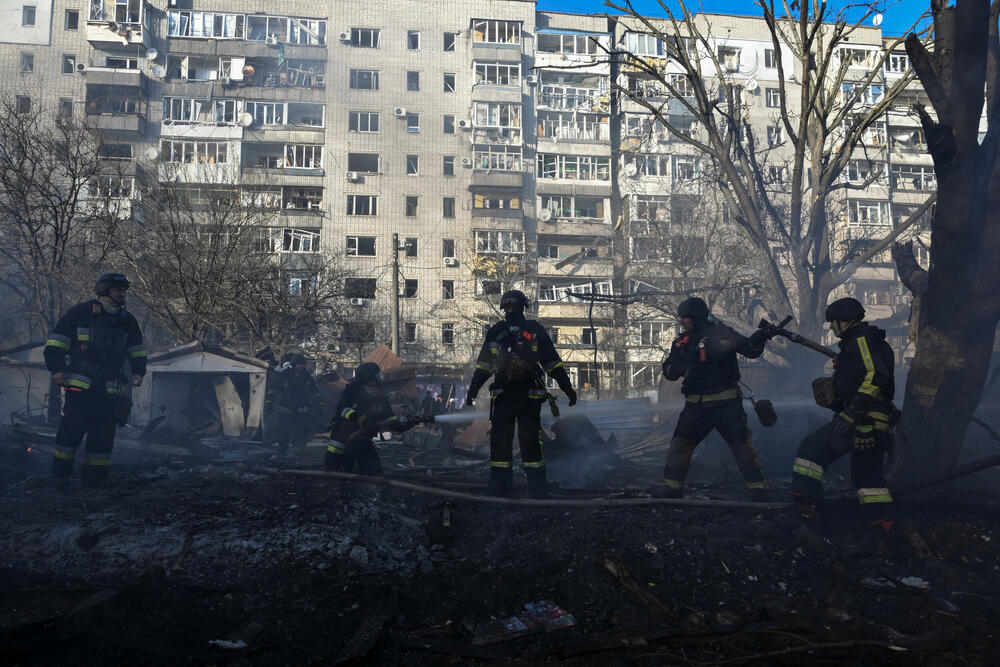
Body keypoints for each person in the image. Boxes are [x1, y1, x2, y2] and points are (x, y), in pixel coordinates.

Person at [791, 297, 898, 529]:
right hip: (873, 421)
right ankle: (882, 523)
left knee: (811, 448)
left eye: (833, 322)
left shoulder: (862, 340)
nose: (831, 326)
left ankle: (805, 506)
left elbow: (877, 375)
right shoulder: (863, 342)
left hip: (862, 419)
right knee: (867, 475)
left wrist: (853, 410)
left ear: (846, 321)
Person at [659, 297, 774, 499]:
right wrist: (679, 368)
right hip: (695, 408)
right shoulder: (680, 344)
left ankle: (758, 490)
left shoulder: (723, 334)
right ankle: (672, 488)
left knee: (741, 448)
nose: (681, 322)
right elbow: (669, 370)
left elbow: (750, 350)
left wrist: (759, 339)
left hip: (727, 406)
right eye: (681, 318)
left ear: (697, 317)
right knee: (679, 446)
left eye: (685, 318)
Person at [465, 289, 576, 498]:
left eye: (513, 306)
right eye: (507, 306)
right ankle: (502, 488)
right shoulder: (504, 332)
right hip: (508, 395)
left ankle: (535, 489)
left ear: (522, 307)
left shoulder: (528, 331)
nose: (510, 310)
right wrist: (473, 389)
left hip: (525, 395)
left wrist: (567, 387)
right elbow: (483, 366)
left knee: (530, 441)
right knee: (501, 442)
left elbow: (552, 362)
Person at [44, 273, 146, 488]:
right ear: (105, 290)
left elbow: (136, 349)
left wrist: (139, 372)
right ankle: (60, 478)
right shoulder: (80, 313)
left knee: (103, 438)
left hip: (110, 389)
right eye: (119, 290)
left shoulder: (127, 320)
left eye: (124, 291)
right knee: (71, 432)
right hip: (81, 386)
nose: (123, 294)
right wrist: (57, 369)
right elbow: (56, 343)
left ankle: (95, 481)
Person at [325, 362, 422, 475]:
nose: (380, 378)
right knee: (335, 474)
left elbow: (390, 422)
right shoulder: (350, 392)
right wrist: (361, 419)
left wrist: (409, 422)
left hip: (362, 441)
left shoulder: (380, 398)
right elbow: (343, 410)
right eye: (377, 376)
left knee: (374, 472)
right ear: (369, 378)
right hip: (341, 440)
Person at [271, 354, 320, 456]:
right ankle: (282, 453)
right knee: (283, 433)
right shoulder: (283, 376)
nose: (301, 366)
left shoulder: (308, 379)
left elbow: (315, 394)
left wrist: (319, 407)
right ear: (294, 365)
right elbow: (273, 391)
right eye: (299, 364)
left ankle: (298, 455)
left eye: (303, 364)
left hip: (301, 410)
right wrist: (269, 404)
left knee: (301, 433)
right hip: (286, 409)